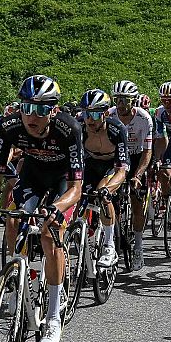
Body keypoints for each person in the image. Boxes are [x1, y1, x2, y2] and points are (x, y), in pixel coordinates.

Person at [0, 76, 83, 342]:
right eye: (26, 107)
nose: (31, 116)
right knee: (14, 218)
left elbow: (76, 188)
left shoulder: (69, 129)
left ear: (53, 110)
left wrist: (57, 208)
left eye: (39, 109)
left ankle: (52, 317)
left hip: (63, 181)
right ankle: (16, 277)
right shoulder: (9, 125)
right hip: (33, 175)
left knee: (50, 233)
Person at [76, 89, 129, 268]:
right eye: (86, 113)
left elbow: (122, 170)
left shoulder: (117, 129)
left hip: (111, 166)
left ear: (106, 113)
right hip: (89, 164)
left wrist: (110, 188)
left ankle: (109, 246)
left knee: (102, 195)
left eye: (95, 114)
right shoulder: (79, 126)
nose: (89, 119)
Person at [110, 81, 158, 262]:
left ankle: (138, 245)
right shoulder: (111, 115)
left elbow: (148, 151)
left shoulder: (144, 118)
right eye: (117, 100)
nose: (120, 105)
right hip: (117, 156)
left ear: (134, 101)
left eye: (125, 101)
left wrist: (137, 175)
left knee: (137, 202)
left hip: (138, 157)